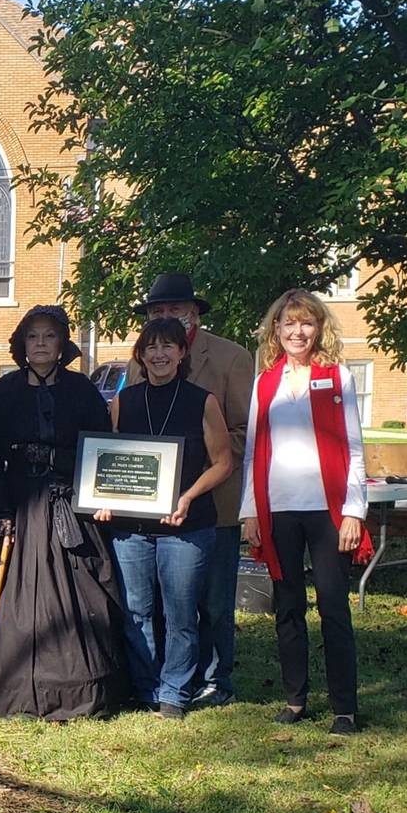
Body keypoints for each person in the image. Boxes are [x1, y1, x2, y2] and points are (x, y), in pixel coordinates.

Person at [0, 305, 127, 720]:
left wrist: (93, 492)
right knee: (15, 599)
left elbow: (98, 446)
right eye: (33, 337)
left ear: (62, 345)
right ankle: (16, 689)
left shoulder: (81, 390)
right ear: (22, 345)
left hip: (68, 501)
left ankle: (82, 688)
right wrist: (1, 508)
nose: (41, 344)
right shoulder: (4, 392)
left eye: (49, 337)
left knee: (84, 590)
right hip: (21, 502)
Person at [240, 289, 370, 735]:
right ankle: (296, 699)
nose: (297, 331)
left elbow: (354, 449)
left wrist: (354, 510)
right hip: (278, 511)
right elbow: (253, 451)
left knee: (334, 607)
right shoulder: (265, 383)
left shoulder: (338, 378)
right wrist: (251, 510)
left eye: (306, 323)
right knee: (288, 607)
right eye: (288, 323)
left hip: (327, 512)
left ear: (319, 328)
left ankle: (344, 708)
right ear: (276, 329)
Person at [97, 317, 233, 718]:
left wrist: (189, 495)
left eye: (168, 347)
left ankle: (175, 690)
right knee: (137, 610)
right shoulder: (124, 401)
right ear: (141, 354)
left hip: (185, 526)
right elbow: (111, 460)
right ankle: (147, 687)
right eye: (151, 347)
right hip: (131, 528)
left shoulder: (202, 401)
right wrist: (103, 497)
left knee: (180, 612)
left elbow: (223, 462)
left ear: (182, 353)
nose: (159, 354)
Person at [130, 273, 253, 707]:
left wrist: (190, 469)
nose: (165, 319)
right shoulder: (141, 359)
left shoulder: (233, 358)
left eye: (175, 310)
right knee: (163, 600)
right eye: (157, 313)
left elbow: (242, 432)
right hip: (151, 507)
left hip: (211, 499)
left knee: (215, 601)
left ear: (194, 313)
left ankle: (217, 678)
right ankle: (169, 680)